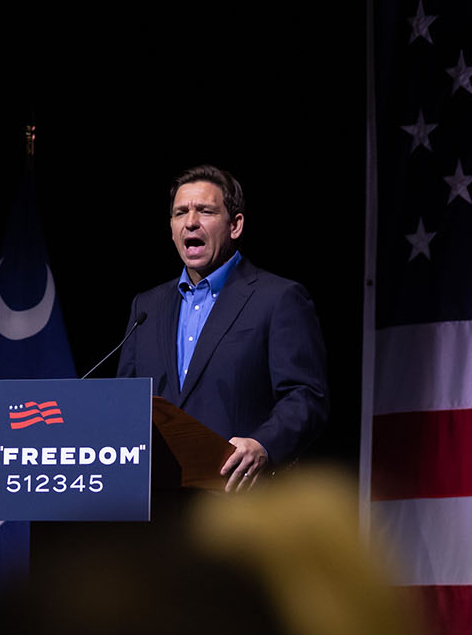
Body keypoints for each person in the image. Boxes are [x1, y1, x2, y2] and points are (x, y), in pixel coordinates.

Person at [116, 165, 328, 490]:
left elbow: (306, 396)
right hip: (156, 502)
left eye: (205, 211)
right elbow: (124, 400)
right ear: (172, 228)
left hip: (237, 499)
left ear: (235, 225)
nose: (190, 222)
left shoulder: (278, 298)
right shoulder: (146, 307)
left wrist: (263, 445)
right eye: (180, 213)